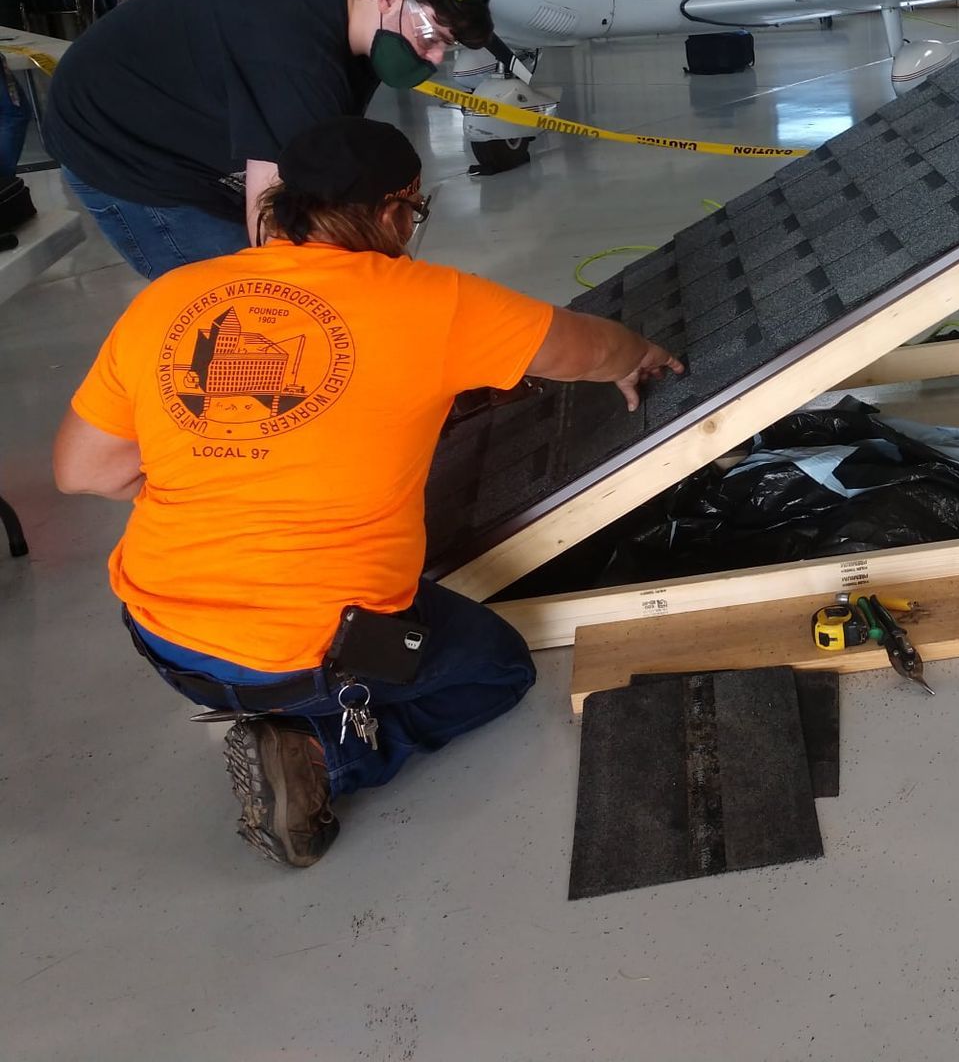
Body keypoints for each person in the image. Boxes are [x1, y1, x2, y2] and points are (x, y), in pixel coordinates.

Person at [52, 116, 683, 868]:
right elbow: (589, 349)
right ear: (392, 210)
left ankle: (282, 713)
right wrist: (636, 352)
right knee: (497, 671)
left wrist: (231, 463)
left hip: (163, 634)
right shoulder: (433, 301)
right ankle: (323, 756)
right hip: (313, 651)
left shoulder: (172, 298)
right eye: (412, 215)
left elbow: (82, 471)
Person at [40, 0, 489, 279]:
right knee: (249, 299)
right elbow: (270, 223)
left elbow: (321, 162)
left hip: (176, 119)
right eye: (434, 37)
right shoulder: (294, 58)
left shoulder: (352, 16)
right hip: (117, 146)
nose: (433, 57)